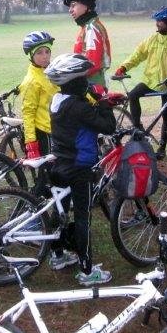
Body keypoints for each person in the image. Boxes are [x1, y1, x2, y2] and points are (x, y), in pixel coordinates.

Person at [45, 53, 117, 285]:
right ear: (74, 82)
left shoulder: (58, 100)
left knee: (60, 211)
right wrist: (104, 102)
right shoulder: (79, 106)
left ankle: (57, 255)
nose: (87, 82)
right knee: (83, 216)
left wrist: (93, 100)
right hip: (79, 167)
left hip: (59, 164)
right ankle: (87, 271)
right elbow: (108, 126)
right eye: (83, 79)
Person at [114, 6, 167, 159]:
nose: (157, 24)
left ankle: (162, 147)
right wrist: (124, 66)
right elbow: (137, 55)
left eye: (160, 21)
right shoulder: (152, 39)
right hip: (150, 81)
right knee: (133, 95)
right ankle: (138, 128)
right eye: (156, 21)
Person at [19, 31, 58, 161]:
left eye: (47, 51)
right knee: (48, 172)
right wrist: (31, 143)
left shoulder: (52, 71)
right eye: (39, 52)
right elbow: (28, 113)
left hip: (58, 127)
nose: (45, 56)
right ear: (31, 55)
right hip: (45, 132)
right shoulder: (31, 81)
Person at [63, 0, 112, 87]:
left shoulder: (91, 28)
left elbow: (92, 63)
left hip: (93, 83)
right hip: (89, 80)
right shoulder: (87, 26)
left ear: (86, 6)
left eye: (73, 5)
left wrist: (71, 75)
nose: (70, 10)